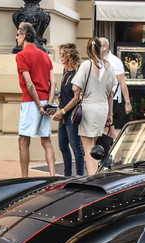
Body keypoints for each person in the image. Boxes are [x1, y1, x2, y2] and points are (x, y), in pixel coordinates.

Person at [15, 22, 56, 177]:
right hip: (46, 100)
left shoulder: (22, 55)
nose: (17, 37)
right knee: (46, 140)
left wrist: (39, 105)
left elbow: (29, 83)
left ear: (25, 36)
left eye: (18, 34)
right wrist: (48, 104)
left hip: (31, 102)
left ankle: (24, 178)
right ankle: (52, 175)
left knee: (23, 140)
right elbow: (54, 82)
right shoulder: (45, 55)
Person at [71, 37, 117, 175]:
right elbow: (110, 94)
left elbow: (74, 88)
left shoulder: (86, 65)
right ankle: (96, 173)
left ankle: (92, 176)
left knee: (88, 147)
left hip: (89, 108)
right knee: (96, 145)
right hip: (103, 108)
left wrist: (81, 91)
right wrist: (110, 114)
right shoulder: (109, 66)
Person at [52, 43, 84, 176]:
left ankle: (80, 176)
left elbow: (76, 98)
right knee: (63, 145)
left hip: (70, 114)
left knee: (76, 147)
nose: (60, 57)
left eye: (62, 54)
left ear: (69, 55)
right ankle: (67, 175)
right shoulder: (65, 71)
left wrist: (63, 111)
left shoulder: (77, 71)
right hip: (63, 113)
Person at [99, 37, 132, 139]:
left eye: (98, 45)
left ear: (105, 47)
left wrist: (127, 102)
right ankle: (112, 146)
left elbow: (122, 82)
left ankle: (109, 147)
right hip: (100, 96)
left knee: (106, 125)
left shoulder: (115, 61)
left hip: (112, 98)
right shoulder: (98, 60)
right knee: (108, 125)